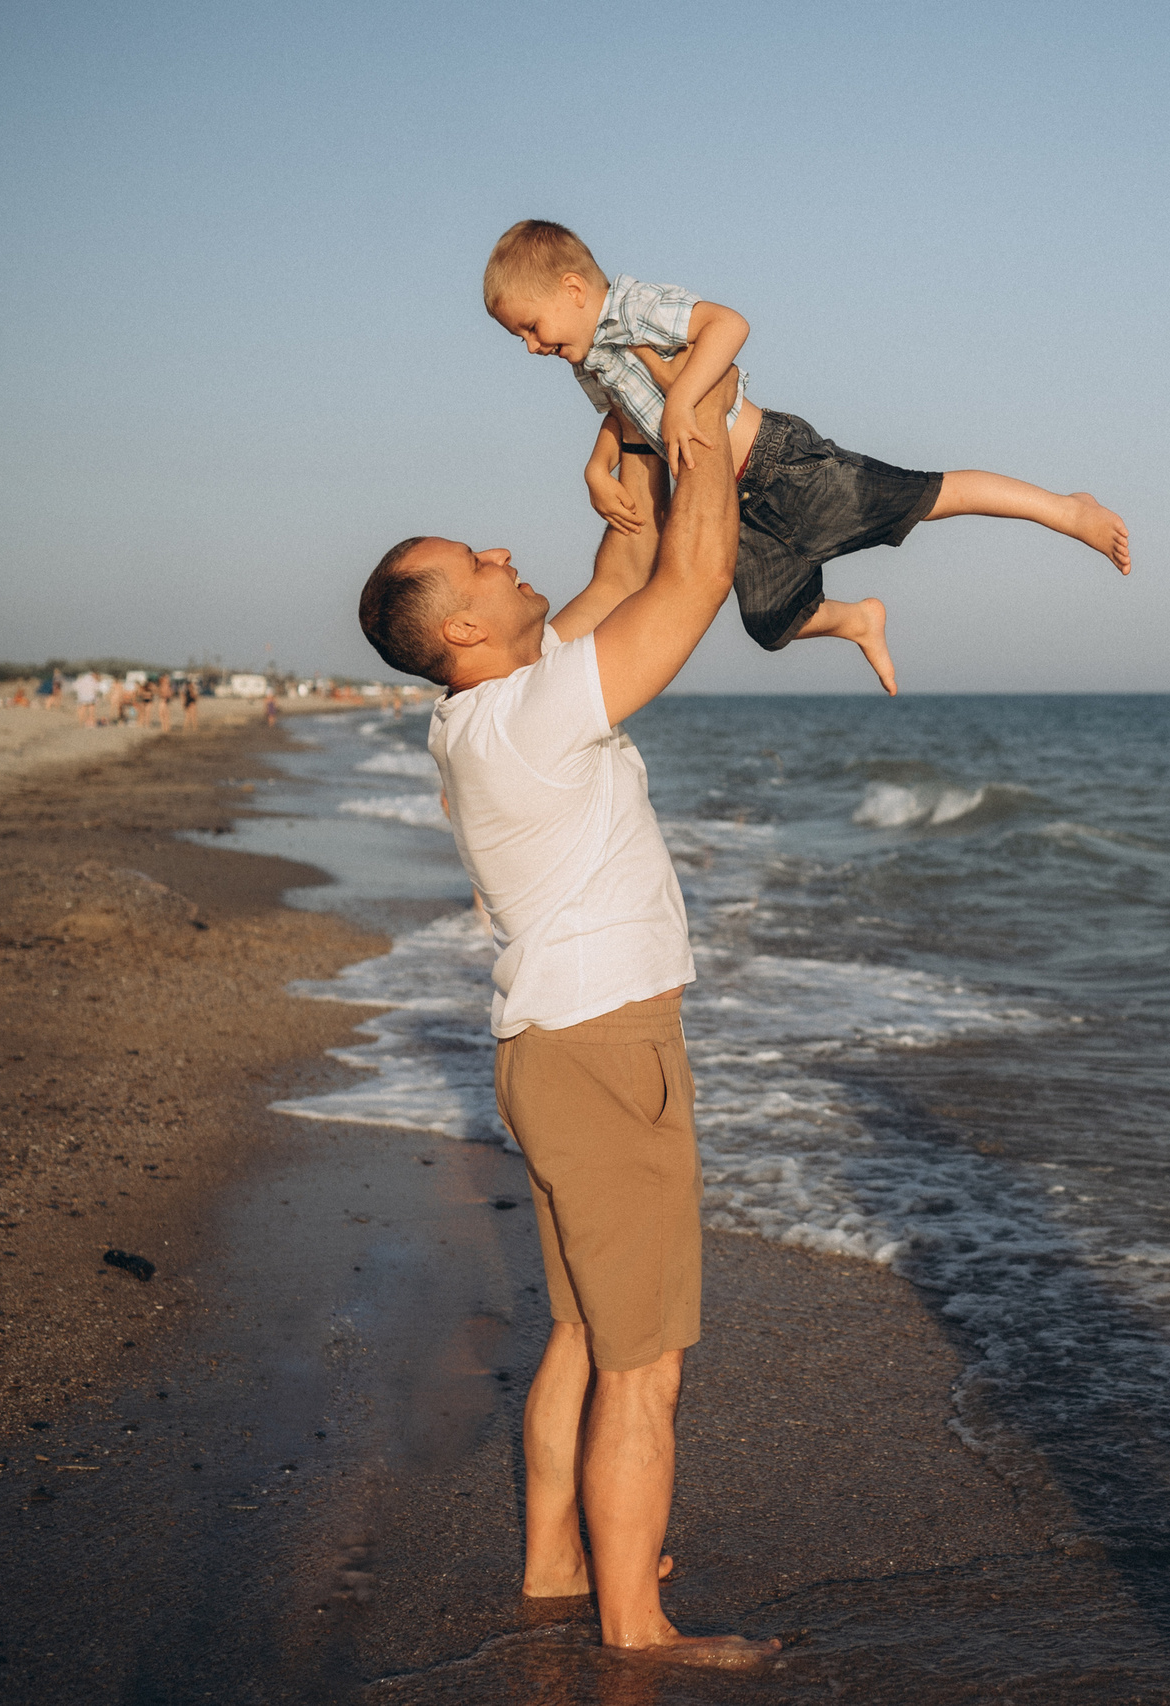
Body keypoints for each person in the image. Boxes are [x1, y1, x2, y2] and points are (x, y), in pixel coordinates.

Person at [353, 368, 776, 1667]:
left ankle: (555, 1558)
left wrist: (626, 505)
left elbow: (625, 580)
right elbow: (691, 592)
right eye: (474, 564)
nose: (497, 548)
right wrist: (699, 444)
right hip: (605, 1052)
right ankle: (635, 1626)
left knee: (588, 1330)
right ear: (466, 632)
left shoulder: (482, 713)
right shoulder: (532, 715)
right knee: (644, 1363)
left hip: (552, 1048)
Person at [481, 219, 1130, 697]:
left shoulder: (634, 305)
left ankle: (1066, 511)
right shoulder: (591, 357)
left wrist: (683, 403)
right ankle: (857, 619)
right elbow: (618, 418)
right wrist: (597, 470)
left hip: (779, 464)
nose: (533, 347)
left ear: (572, 289)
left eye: (532, 328)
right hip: (731, 504)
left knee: (929, 498)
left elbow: (728, 325)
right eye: (521, 338)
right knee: (769, 625)